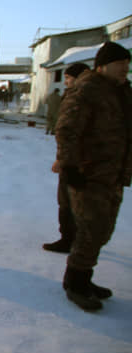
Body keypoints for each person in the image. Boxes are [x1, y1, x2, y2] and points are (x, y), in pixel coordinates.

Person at [54, 42, 132, 312]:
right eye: (120, 65)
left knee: (102, 230)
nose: (125, 70)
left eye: (127, 65)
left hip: (113, 174)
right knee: (91, 229)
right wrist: (70, 167)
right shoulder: (88, 89)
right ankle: (76, 282)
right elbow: (66, 130)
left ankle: (83, 278)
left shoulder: (121, 92)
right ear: (102, 66)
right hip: (89, 174)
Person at [43, 62, 89, 253]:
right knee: (74, 202)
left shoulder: (80, 97)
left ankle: (69, 239)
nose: (66, 82)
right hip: (81, 158)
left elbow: (69, 132)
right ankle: (76, 238)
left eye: (69, 78)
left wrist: (62, 159)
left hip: (76, 159)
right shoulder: (78, 95)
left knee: (69, 202)